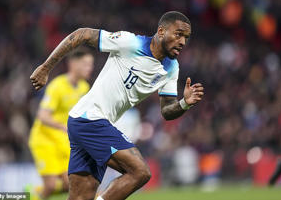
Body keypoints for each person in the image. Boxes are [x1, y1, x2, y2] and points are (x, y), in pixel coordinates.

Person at [30, 11, 204, 200]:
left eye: (186, 37)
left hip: (85, 122)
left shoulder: (171, 68)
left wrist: (184, 103)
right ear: (161, 31)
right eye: (178, 34)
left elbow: (167, 110)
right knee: (140, 172)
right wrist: (46, 67)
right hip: (90, 119)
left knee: (80, 197)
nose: (182, 42)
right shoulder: (130, 43)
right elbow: (83, 33)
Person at [28, 49, 94, 199]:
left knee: (71, 184)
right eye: (85, 64)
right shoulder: (57, 86)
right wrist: (64, 127)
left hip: (63, 141)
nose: (89, 68)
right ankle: (35, 193)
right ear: (72, 64)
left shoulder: (84, 88)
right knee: (51, 185)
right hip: (44, 139)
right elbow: (42, 115)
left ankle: (36, 192)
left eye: (90, 64)